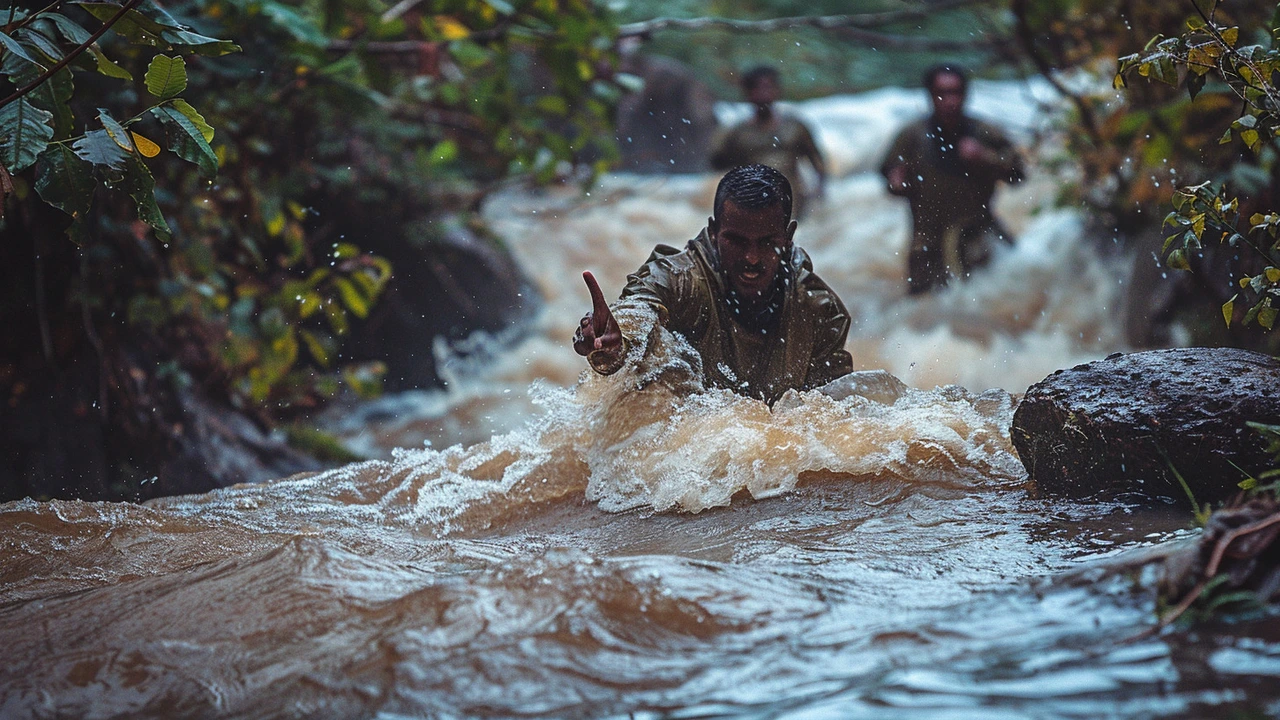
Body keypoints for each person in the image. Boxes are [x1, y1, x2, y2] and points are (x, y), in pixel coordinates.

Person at [572, 164, 852, 405]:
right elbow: (640, 308)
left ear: (788, 237)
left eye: (766, 242)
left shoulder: (818, 310)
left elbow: (833, 425)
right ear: (715, 233)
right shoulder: (682, 280)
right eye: (737, 241)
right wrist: (614, 345)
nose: (751, 258)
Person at [880, 64, 1024, 294]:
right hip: (927, 244)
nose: (949, 100)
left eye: (955, 93)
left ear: (966, 94)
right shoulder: (910, 138)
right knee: (923, 315)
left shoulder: (985, 133)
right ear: (929, 95)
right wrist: (897, 183)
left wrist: (985, 158)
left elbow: (1018, 176)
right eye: (941, 93)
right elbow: (889, 179)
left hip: (977, 235)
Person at [710, 66, 826, 218]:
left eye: (768, 87)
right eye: (756, 88)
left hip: (793, 199)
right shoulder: (737, 133)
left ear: (777, 90)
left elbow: (817, 160)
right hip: (752, 202)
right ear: (747, 93)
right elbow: (717, 164)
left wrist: (819, 190)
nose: (763, 93)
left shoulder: (794, 127)